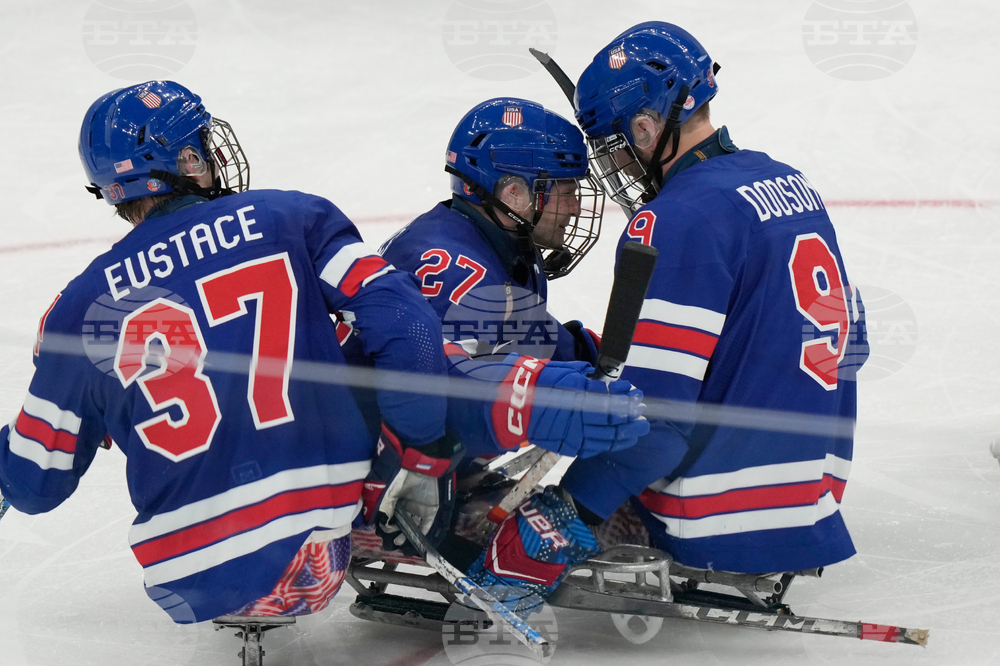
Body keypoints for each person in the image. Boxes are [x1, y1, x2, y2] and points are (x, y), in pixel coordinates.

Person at [0, 80, 461, 624]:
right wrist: (421, 450)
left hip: (183, 575)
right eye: (202, 145)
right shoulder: (293, 217)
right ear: (188, 159)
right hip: (316, 551)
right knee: (347, 342)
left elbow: (33, 482)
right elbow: (407, 324)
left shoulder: (80, 305)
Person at [469, 21, 870, 606]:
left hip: (715, 514)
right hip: (813, 496)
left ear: (647, 125)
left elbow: (655, 421)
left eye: (616, 146)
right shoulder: (789, 183)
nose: (621, 168)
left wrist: (564, 511)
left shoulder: (673, 219)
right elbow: (853, 345)